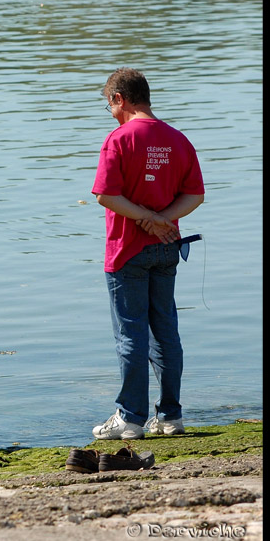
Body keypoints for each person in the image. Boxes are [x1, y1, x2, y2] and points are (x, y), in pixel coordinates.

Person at [91, 68, 205, 440]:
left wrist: (144, 219)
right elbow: (195, 195)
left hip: (127, 252)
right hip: (167, 248)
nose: (110, 111)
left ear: (119, 99)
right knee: (166, 331)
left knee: (131, 335)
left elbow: (106, 195)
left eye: (109, 104)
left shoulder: (119, 139)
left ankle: (131, 418)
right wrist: (161, 221)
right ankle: (170, 417)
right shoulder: (178, 139)